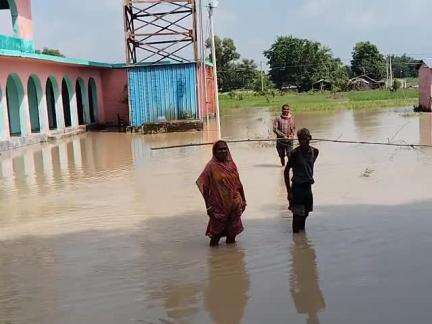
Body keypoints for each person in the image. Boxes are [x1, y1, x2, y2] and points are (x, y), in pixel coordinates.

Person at [196, 141, 247, 246]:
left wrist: (244, 200)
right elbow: (203, 185)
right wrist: (208, 207)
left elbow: (238, 183)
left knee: (232, 234)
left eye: (225, 148)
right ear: (215, 152)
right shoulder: (211, 167)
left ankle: (232, 260)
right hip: (219, 206)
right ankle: (214, 260)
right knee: (216, 235)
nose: (223, 151)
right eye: (220, 149)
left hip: (234, 204)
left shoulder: (232, 164)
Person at [284, 129, 319, 233]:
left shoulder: (315, 152)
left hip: (308, 188)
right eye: (301, 139)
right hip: (297, 188)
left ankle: (301, 242)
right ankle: (296, 240)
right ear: (298, 140)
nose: (303, 141)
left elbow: (308, 166)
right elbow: (286, 172)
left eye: (305, 138)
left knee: (305, 214)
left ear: (310, 138)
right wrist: (289, 191)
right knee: (297, 216)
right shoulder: (294, 153)